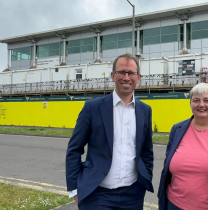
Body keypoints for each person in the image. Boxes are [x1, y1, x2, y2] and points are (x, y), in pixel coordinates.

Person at [66, 53, 154, 209]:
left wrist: (145, 179)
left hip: (133, 194)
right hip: (97, 194)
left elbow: (147, 151)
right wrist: (74, 189)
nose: (126, 77)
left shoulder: (145, 110)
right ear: (113, 76)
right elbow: (74, 149)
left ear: (138, 77)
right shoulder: (92, 108)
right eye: (121, 72)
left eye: (131, 73)